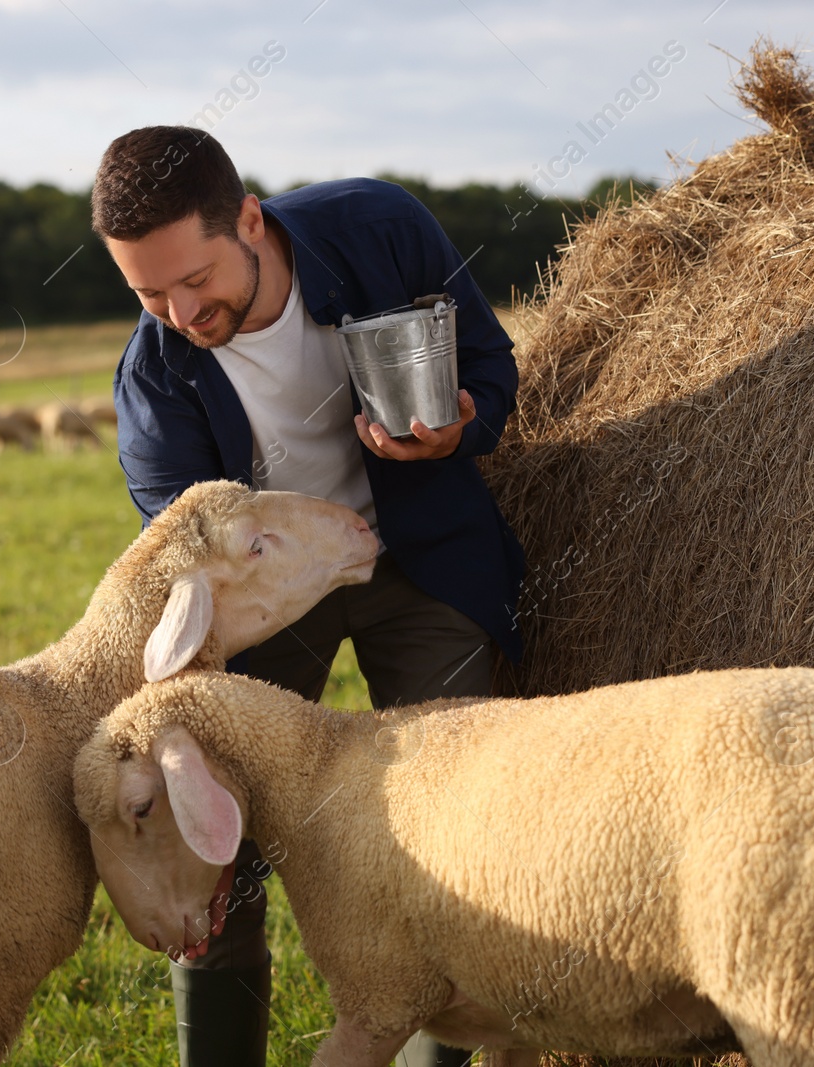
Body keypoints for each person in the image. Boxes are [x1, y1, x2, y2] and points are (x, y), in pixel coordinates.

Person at [90, 125, 524, 1067]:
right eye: (148, 291)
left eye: (195, 278)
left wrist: (459, 428)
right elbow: (190, 556)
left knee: (454, 820)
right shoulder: (155, 381)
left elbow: (491, 368)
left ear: (249, 218)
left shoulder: (381, 229)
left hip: (419, 555)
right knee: (221, 852)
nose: (178, 308)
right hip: (267, 601)